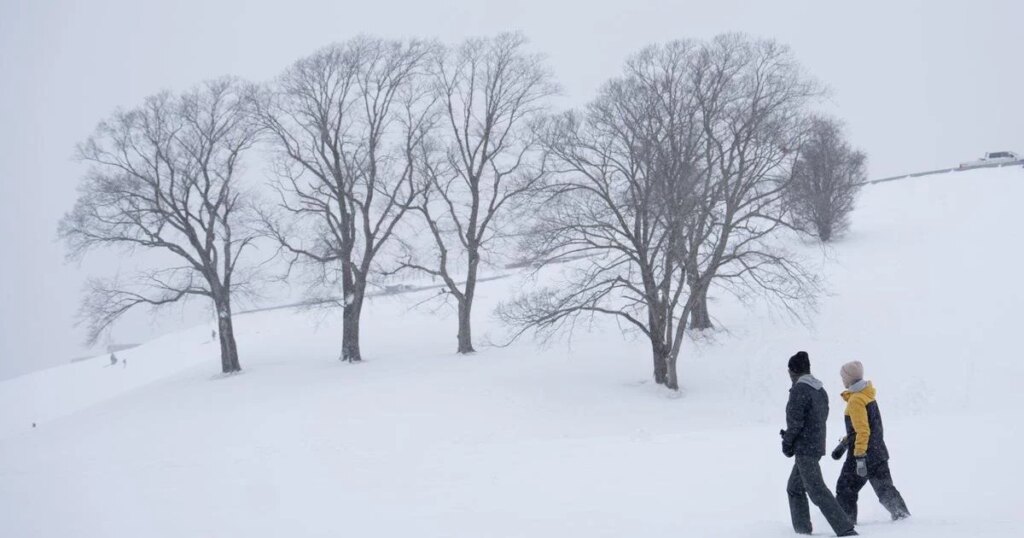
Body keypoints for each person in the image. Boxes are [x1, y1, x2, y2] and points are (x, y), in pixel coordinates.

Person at [781, 351, 858, 536]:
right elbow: (816, 418)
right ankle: (802, 530)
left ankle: (845, 528)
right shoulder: (819, 389)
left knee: (816, 490)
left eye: (789, 371)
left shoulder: (799, 390)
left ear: (793, 371)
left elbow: (796, 422)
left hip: (805, 448)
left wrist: (787, 442)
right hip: (815, 445)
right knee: (794, 488)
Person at [833, 361, 910, 524]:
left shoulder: (855, 400)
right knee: (884, 489)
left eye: (842, 376)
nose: (842, 380)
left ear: (848, 378)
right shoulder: (867, 396)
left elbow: (863, 430)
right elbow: (867, 427)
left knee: (845, 488)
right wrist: (845, 442)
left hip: (863, 453)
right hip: (878, 452)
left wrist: (860, 456)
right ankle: (903, 517)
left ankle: (845, 523)